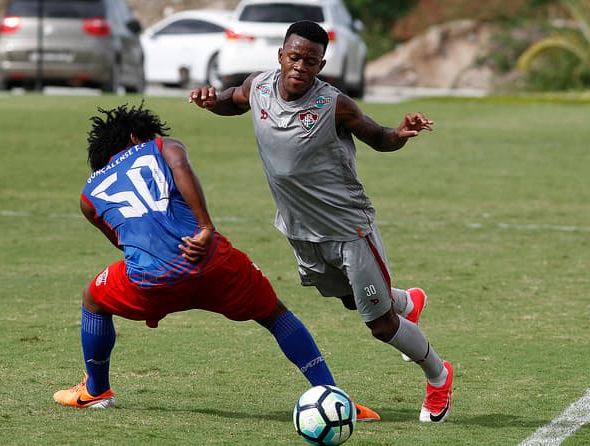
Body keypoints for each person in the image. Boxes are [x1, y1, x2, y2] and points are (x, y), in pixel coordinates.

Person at [188, 20, 453, 423]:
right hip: (300, 230)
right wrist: (211, 101)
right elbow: (232, 99)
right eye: (294, 57)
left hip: (349, 229)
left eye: (310, 62)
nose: (300, 67)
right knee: (351, 299)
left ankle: (437, 375)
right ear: (281, 56)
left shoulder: (334, 104)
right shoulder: (259, 86)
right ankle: (406, 301)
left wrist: (399, 133)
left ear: (321, 65)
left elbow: (377, 136)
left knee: (380, 325)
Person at [52, 103, 380, 422]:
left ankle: (96, 390)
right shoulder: (162, 146)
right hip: (212, 261)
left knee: (93, 298)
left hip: (152, 280)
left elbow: (125, 244)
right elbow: (180, 165)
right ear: (136, 138)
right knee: (275, 315)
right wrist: (205, 227)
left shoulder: (88, 195)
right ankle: (334, 396)